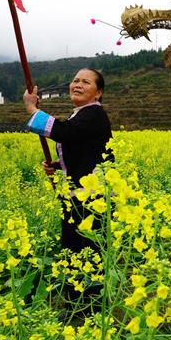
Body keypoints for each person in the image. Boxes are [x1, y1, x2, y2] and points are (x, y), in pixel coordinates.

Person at [23, 68, 114, 253]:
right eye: (75, 80)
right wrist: (57, 166)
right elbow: (83, 151)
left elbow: (65, 132)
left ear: (98, 93)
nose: (78, 85)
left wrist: (32, 109)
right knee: (74, 253)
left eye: (86, 82)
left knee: (87, 254)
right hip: (79, 197)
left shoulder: (94, 114)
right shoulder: (81, 114)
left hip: (91, 200)